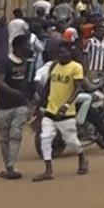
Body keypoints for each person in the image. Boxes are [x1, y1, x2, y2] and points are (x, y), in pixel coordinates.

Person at [33, 45, 90, 181]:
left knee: (71, 142)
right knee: (45, 139)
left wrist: (66, 104)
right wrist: (40, 105)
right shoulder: (54, 66)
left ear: (70, 53)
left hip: (66, 113)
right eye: (58, 53)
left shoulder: (76, 67)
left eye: (63, 52)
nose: (60, 55)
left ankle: (82, 157)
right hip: (50, 110)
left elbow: (77, 88)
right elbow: (48, 86)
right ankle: (48, 170)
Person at [0, 34, 36, 178]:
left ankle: (11, 165)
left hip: (21, 105)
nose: (29, 47)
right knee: (4, 138)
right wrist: (14, 93)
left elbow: (28, 82)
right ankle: (8, 166)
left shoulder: (26, 62)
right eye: (27, 45)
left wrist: (29, 98)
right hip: (4, 105)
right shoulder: (5, 62)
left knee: (16, 134)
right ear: (18, 47)